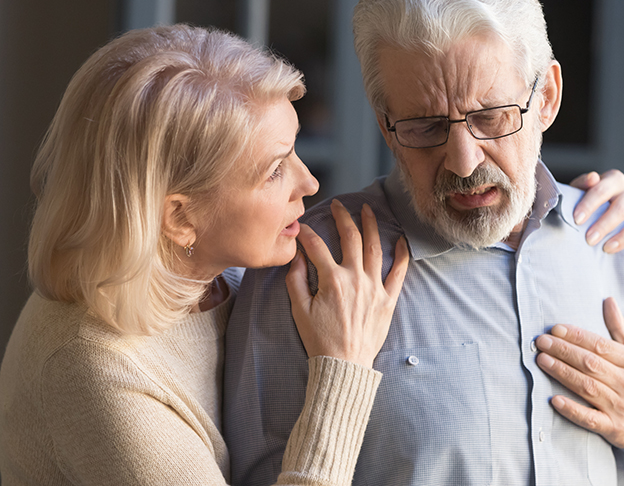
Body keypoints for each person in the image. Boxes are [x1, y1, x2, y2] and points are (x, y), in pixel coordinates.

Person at [224, 0, 624, 485]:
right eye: (425, 126)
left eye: (491, 117)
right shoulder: (309, 266)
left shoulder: (608, 232)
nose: (464, 162)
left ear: (547, 98)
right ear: (386, 125)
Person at [0, 24, 412, 485]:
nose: (310, 183)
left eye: (294, 150)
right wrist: (344, 366)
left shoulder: (216, 270)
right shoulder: (93, 370)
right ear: (179, 218)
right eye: (275, 171)